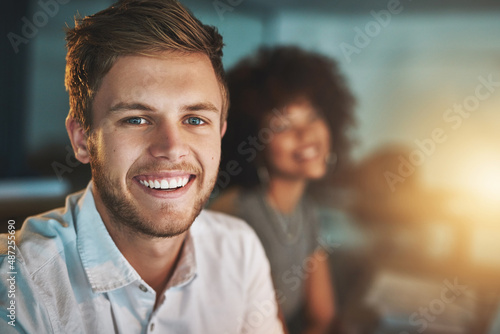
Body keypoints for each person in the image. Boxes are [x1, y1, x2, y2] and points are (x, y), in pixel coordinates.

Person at [0, 1, 283, 333]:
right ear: (81, 139)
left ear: (220, 134)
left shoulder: (240, 250)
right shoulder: (19, 281)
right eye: (135, 119)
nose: (171, 147)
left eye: (194, 119)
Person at [210, 46, 356, 334]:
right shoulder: (235, 217)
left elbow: (323, 318)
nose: (305, 135)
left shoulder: (306, 212)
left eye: (312, 116)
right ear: (253, 141)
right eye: (282, 126)